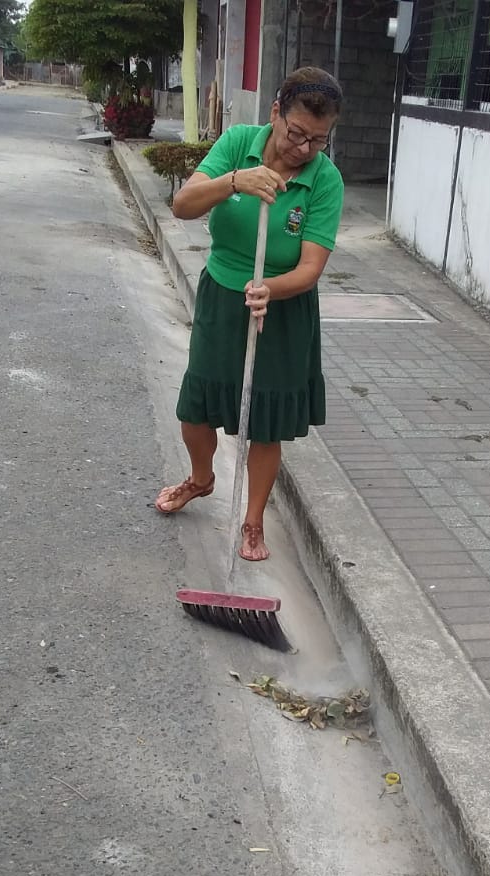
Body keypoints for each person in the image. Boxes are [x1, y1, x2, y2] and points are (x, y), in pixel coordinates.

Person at [154, 67, 344, 562]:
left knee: (266, 421)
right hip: (223, 295)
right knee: (196, 409)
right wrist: (236, 180)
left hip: (283, 309)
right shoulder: (239, 143)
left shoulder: (325, 180)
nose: (303, 149)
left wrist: (270, 289)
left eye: (318, 140)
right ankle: (201, 478)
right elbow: (183, 205)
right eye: (296, 133)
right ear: (276, 112)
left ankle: (253, 521)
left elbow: (310, 268)